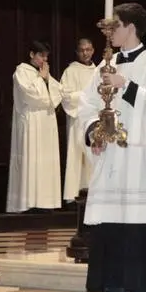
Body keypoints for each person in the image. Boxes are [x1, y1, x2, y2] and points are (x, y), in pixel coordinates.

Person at [79, 3, 146, 292]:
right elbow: (87, 104)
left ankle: (142, 291)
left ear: (131, 27)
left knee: (139, 226)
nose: (109, 33)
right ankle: (111, 289)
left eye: (114, 26)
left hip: (142, 161)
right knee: (111, 225)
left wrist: (127, 85)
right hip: (112, 159)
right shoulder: (102, 67)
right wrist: (94, 130)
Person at [6, 40, 63, 213]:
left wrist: (46, 79)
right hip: (31, 121)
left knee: (46, 160)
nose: (44, 59)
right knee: (31, 159)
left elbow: (58, 92)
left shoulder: (42, 72)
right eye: (40, 55)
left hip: (46, 122)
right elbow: (32, 96)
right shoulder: (21, 71)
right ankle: (27, 203)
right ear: (31, 54)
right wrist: (42, 79)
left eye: (46, 56)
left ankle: (46, 202)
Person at [60, 38, 98, 202]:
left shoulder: (98, 70)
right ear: (77, 52)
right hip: (78, 119)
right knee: (77, 155)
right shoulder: (71, 71)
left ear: (93, 50)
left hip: (96, 119)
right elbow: (66, 96)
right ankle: (74, 193)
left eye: (88, 49)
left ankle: (94, 190)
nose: (85, 53)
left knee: (94, 155)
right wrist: (86, 96)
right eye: (82, 50)